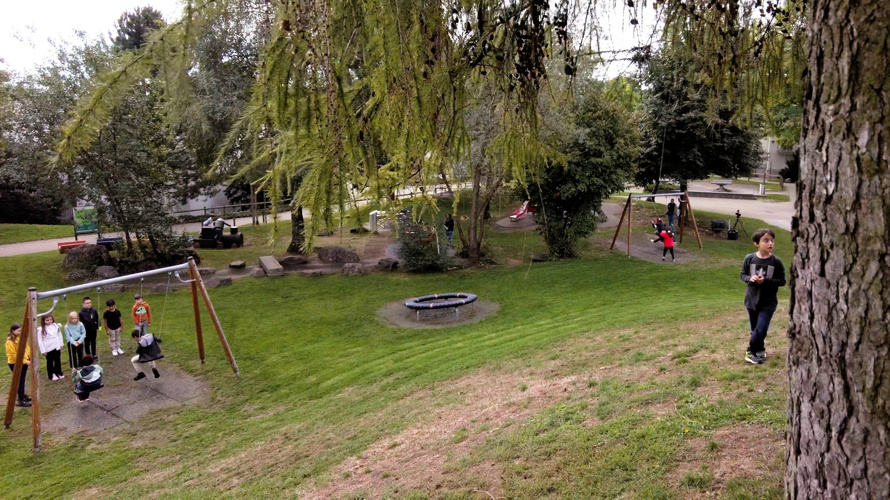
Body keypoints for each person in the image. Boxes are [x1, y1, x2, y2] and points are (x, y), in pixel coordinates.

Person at [740, 228, 786, 364]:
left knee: (762, 327)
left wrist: (765, 281)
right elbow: (742, 274)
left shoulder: (776, 262)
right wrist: (750, 278)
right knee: (755, 328)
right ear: (756, 244)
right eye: (765, 240)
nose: (770, 243)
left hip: (769, 301)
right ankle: (759, 349)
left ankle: (750, 350)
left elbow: (782, 281)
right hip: (751, 300)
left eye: (772, 240)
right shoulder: (749, 258)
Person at [6, 323, 32, 407]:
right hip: (15, 364)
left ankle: (22, 395)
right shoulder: (10, 342)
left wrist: (29, 357)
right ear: (13, 331)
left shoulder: (19, 337)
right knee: (19, 381)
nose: (20, 332)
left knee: (22, 380)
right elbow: (14, 356)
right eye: (18, 331)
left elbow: (26, 347)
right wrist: (25, 361)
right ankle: (21, 400)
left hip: (23, 362)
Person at [37, 315, 65, 381]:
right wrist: (43, 350)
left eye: (50, 320)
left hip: (56, 346)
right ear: (43, 321)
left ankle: (58, 372)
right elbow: (40, 340)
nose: (49, 321)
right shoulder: (41, 329)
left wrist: (61, 343)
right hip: (48, 348)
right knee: (50, 362)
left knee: (57, 360)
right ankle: (51, 374)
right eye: (47, 320)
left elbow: (59, 335)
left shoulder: (55, 326)